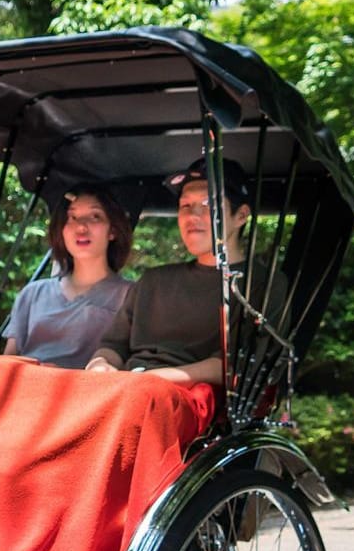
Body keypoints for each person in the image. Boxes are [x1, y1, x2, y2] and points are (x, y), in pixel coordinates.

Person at [87, 158, 272, 387]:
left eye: (207, 204)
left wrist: (150, 380)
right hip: (128, 386)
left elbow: (232, 365)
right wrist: (99, 366)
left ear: (241, 216)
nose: (193, 215)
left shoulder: (261, 283)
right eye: (185, 205)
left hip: (188, 396)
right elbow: (113, 346)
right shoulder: (153, 280)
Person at [0, 186, 134, 366]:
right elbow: (7, 362)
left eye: (95, 216)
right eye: (72, 217)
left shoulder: (131, 295)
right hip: (29, 387)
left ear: (113, 231)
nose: (81, 227)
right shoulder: (32, 294)